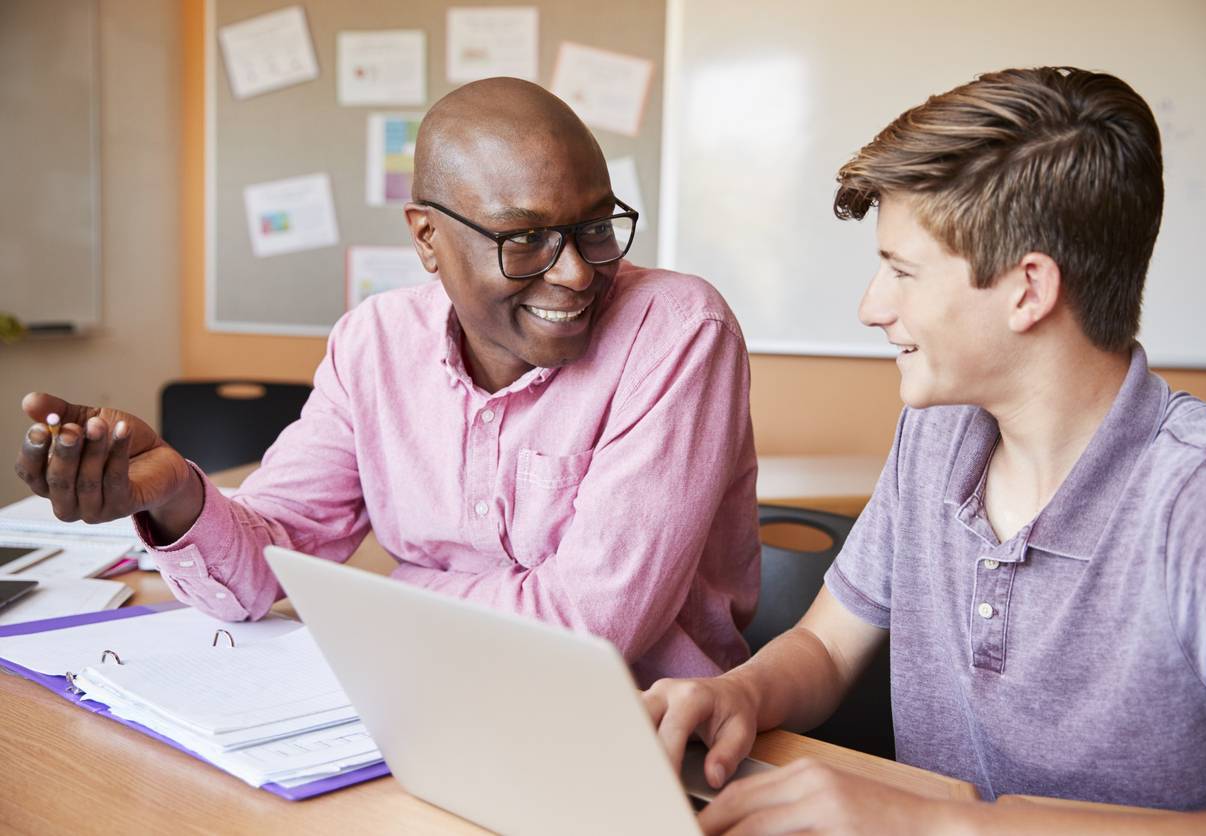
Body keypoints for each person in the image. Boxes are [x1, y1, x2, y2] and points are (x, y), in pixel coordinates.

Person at [645, 66, 1206, 831]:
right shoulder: (937, 434)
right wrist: (741, 692)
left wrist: (945, 825)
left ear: (1028, 290)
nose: (872, 306)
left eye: (901, 270)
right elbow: (828, 652)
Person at [12, 78, 760, 687]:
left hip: (641, 734)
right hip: (422, 700)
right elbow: (258, 576)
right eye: (526, 238)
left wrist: (377, 596)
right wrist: (178, 494)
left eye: (596, 226)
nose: (574, 271)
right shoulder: (374, 343)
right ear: (428, 238)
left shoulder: (678, 330)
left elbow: (588, 633)